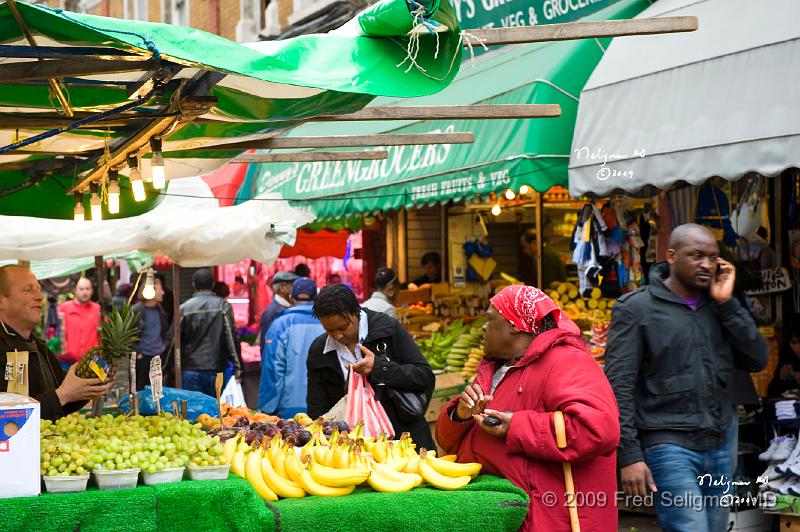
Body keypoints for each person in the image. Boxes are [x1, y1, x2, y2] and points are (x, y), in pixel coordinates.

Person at [604, 223, 769, 532]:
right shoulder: (637, 309)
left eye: (713, 257)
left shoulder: (720, 305)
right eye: (696, 256)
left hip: (721, 440)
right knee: (690, 527)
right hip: (667, 443)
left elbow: (758, 358)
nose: (706, 264)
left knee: (717, 528)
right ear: (671, 256)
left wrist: (727, 304)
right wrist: (629, 455)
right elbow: (618, 387)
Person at [436, 285, 620, 530]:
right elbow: (449, 443)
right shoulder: (492, 369)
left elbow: (598, 428)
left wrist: (515, 426)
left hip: (549, 517)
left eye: (490, 319)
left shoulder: (568, 361)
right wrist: (459, 416)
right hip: (500, 513)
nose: (483, 327)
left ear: (514, 325)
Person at [307, 284, 436, 450]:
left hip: (405, 442)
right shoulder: (319, 351)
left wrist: (380, 368)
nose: (338, 336)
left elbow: (424, 376)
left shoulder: (388, 329)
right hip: (352, 451)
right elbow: (317, 411)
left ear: (356, 312)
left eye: (343, 328)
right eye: (330, 330)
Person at [0, 265, 111, 420]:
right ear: (2, 301)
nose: (39, 296)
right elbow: (7, 419)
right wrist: (63, 394)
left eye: (38, 289)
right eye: (28, 289)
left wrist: (87, 386)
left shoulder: (40, 347)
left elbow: (60, 404)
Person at [258, 278, 324, 417]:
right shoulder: (328, 323)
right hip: (324, 406)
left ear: (291, 298)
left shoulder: (280, 325)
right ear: (317, 299)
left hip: (289, 408)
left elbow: (273, 370)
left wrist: (266, 408)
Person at [179, 268, 243, 397]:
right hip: (216, 368)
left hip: (190, 369)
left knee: (192, 412)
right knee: (215, 411)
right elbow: (231, 338)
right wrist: (238, 368)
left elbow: (175, 341)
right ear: (213, 285)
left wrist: (167, 368)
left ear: (193, 284)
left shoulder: (184, 308)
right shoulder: (222, 306)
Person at [131, 275, 171, 391]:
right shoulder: (136, 311)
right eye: (160, 290)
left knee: (157, 392)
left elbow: (166, 332)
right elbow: (128, 335)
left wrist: (164, 346)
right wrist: (137, 352)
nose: (163, 293)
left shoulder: (161, 311)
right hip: (142, 358)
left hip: (158, 357)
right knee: (141, 391)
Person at [57, 277, 101, 370]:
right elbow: (56, 332)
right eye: (81, 289)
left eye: (87, 289)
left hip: (93, 361)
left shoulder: (97, 309)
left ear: (92, 291)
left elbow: (102, 334)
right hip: (67, 362)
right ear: (75, 291)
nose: (85, 292)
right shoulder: (64, 308)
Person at [257, 271, 297, 346]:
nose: (294, 288)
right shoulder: (272, 312)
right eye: (291, 285)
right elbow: (266, 342)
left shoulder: (290, 306)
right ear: (282, 288)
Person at [768, 317, 800, 397]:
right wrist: (780, 378)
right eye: (794, 343)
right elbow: (771, 392)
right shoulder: (788, 358)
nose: (798, 348)